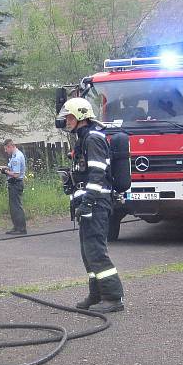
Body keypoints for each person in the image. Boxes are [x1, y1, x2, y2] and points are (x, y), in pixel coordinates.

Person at [56, 98, 125, 313]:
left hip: (96, 203)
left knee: (96, 251)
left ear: (80, 116)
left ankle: (113, 298)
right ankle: (96, 294)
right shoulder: (83, 139)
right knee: (88, 253)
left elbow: (97, 173)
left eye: (69, 117)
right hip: (88, 204)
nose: (67, 121)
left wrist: (87, 202)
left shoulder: (93, 139)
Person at [0, 139, 27, 235]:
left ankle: (21, 228)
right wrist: (5, 168)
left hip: (16, 183)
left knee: (16, 207)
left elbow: (16, 174)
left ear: (10, 146)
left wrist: (5, 171)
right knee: (13, 207)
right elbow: (12, 168)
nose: (6, 151)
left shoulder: (16, 157)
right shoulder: (14, 156)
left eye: (6, 149)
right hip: (14, 184)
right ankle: (16, 227)